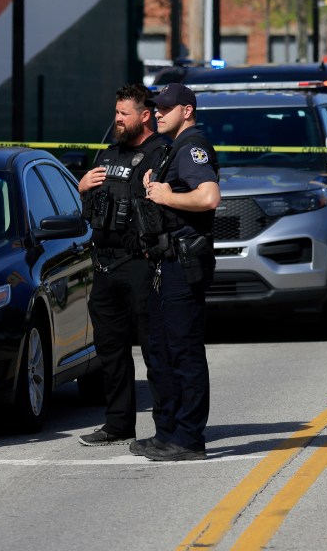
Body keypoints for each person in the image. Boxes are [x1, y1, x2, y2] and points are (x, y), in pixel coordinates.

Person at [76, 84, 170, 447]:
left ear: (145, 116)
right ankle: (118, 424)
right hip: (105, 265)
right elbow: (90, 210)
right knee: (110, 350)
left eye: (124, 114)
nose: (117, 119)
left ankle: (166, 427)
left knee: (153, 349)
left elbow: (165, 209)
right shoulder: (109, 154)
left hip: (141, 264)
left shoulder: (160, 153)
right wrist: (81, 187)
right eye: (116, 113)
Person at [132, 82, 220, 462]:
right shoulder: (173, 150)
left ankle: (188, 438)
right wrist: (155, 190)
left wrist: (167, 196)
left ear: (186, 110)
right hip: (163, 262)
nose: (158, 114)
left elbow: (208, 196)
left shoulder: (192, 147)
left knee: (183, 352)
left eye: (166, 108)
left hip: (182, 263)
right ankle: (167, 432)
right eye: (156, 108)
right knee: (162, 350)